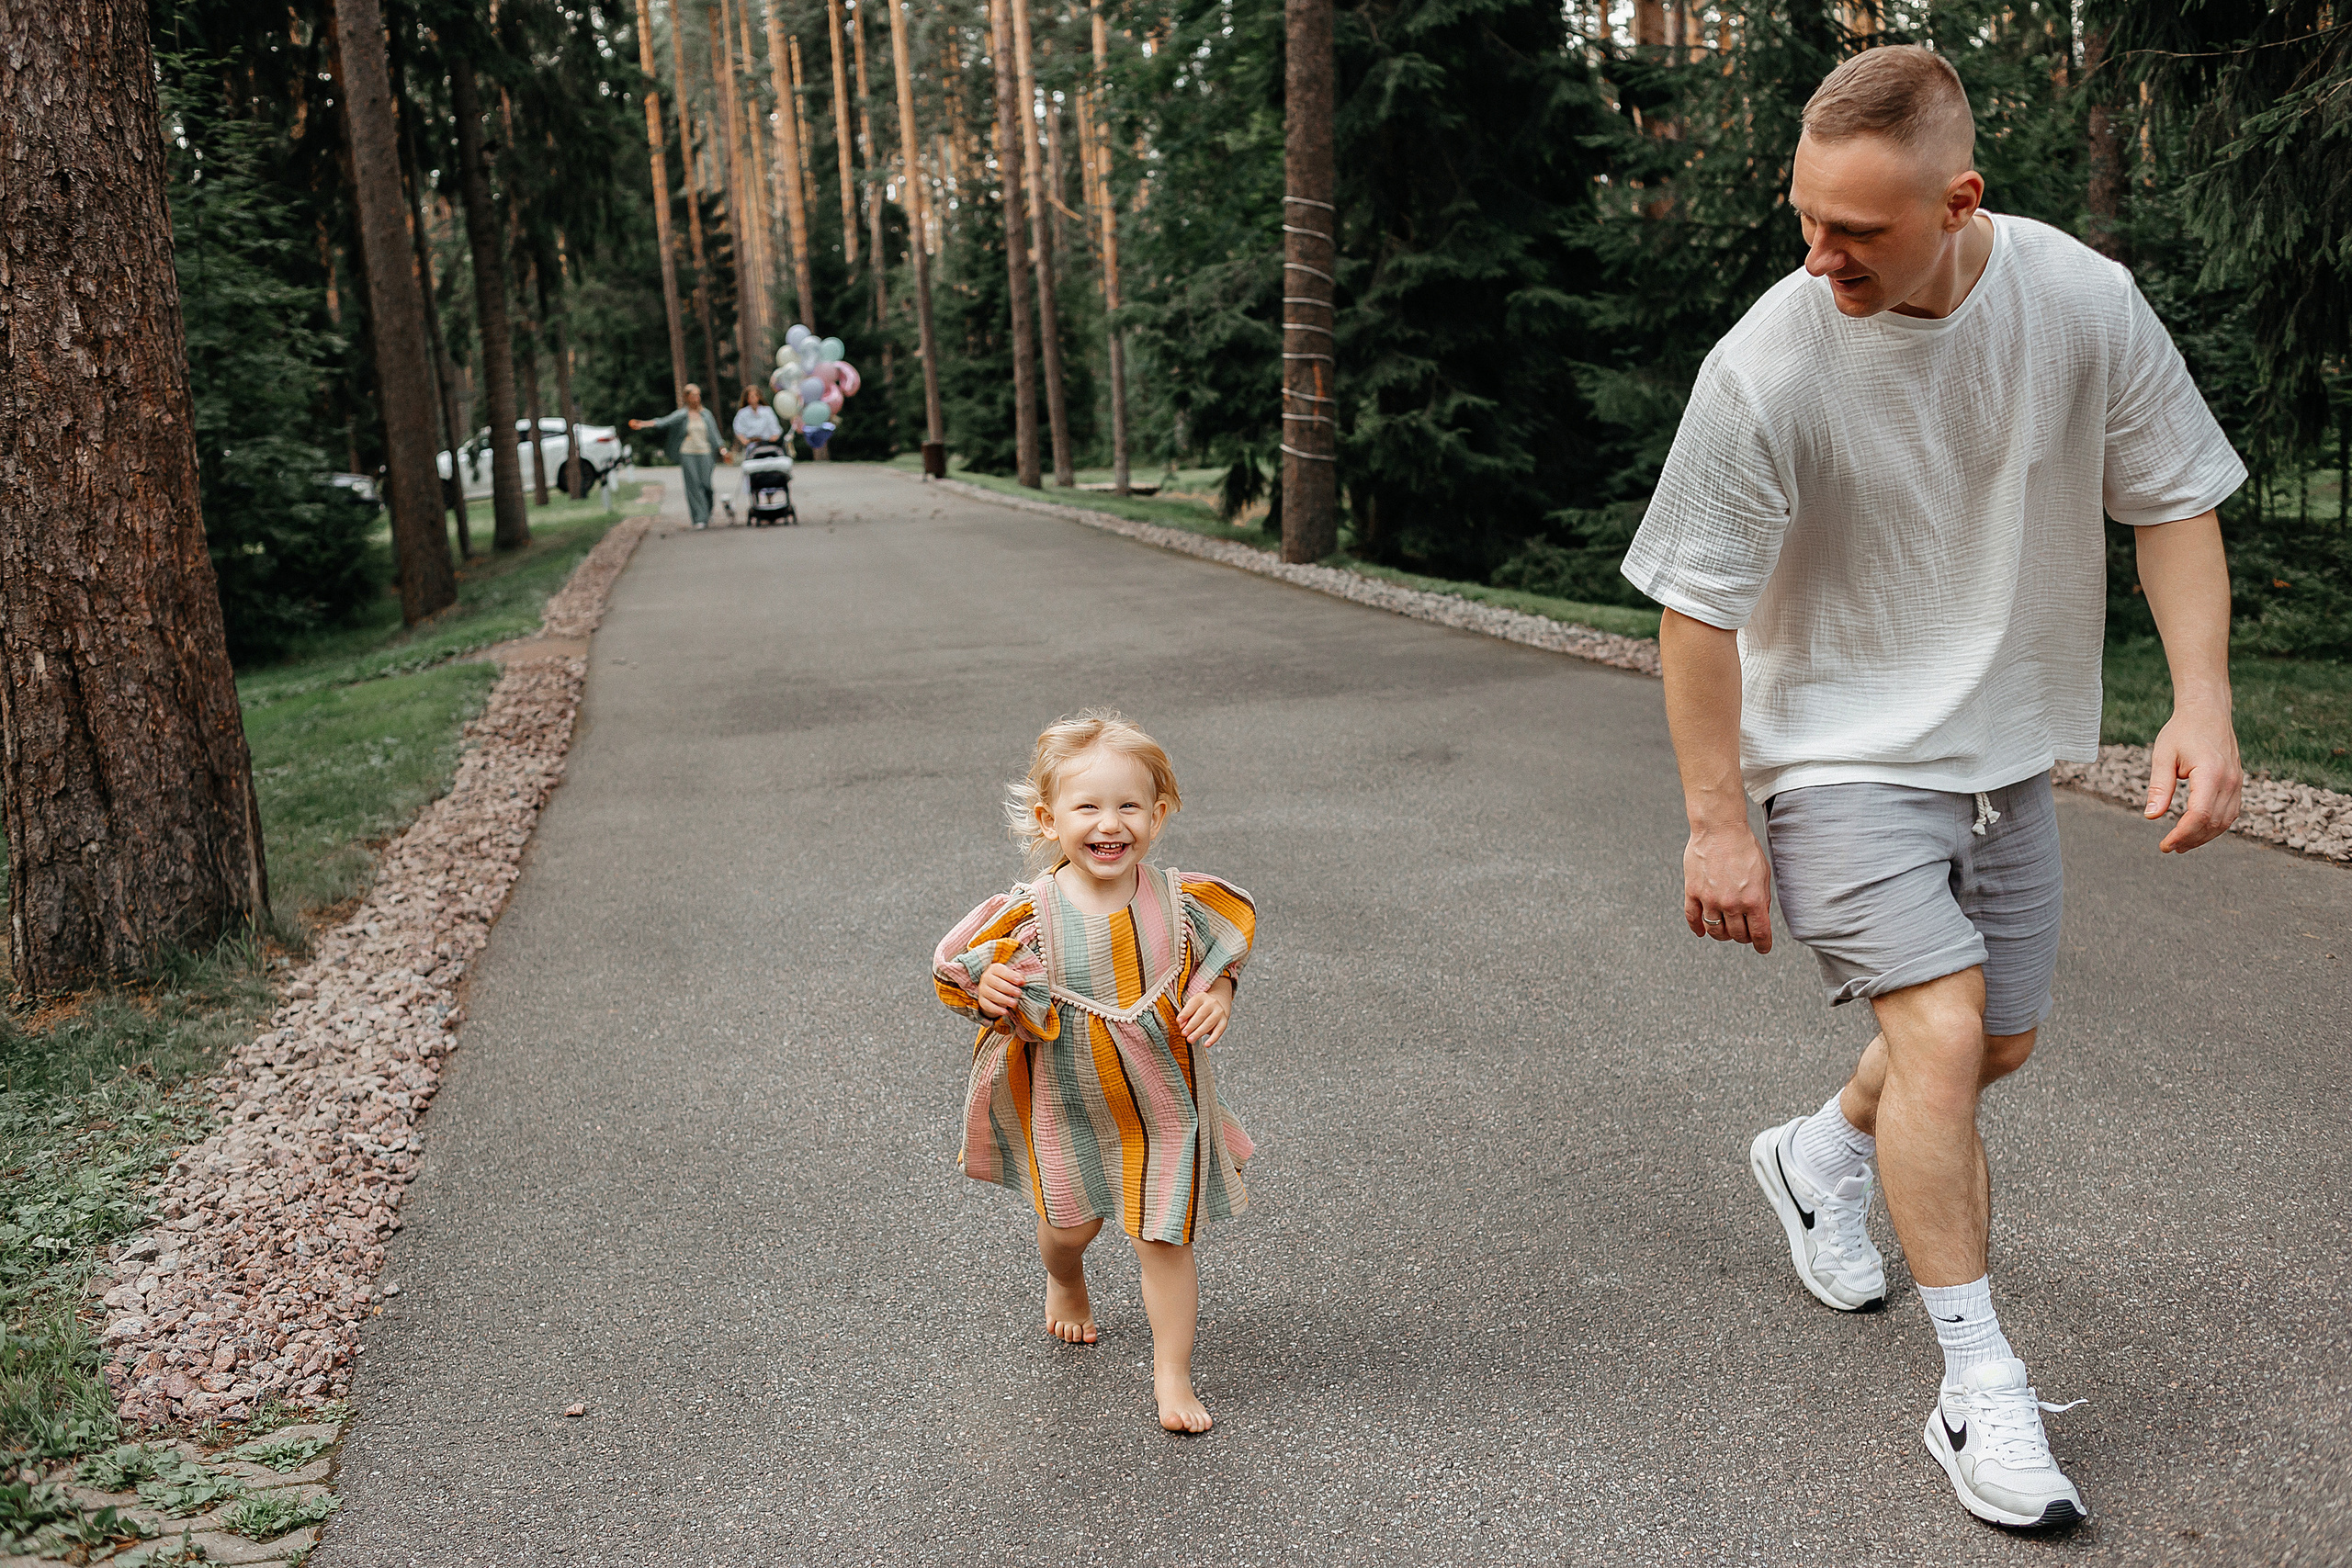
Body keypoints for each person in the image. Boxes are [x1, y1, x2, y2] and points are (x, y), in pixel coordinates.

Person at [1619, 46, 2245, 1531]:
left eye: (1860, 231)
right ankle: (1980, 1382)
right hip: (1832, 747)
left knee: (1994, 1048)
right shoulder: (1768, 359)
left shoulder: (2080, 303)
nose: (1821, 256)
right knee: (1947, 1032)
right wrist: (1719, 820)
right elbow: (1696, 611)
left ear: (1964, 199)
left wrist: (2203, 704)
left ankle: (1819, 1150)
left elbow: (2174, 503)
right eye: (1805, 220)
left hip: (1999, 748)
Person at [932, 712, 1256, 1435]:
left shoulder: (1180, 902)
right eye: (1088, 807)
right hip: (1070, 1100)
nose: (1110, 824)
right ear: (1049, 820)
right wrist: (987, 993)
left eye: (1129, 805)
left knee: (1163, 1236)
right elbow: (957, 973)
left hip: (1163, 1103)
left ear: (1159, 813)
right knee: (1070, 1227)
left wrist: (1218, 995)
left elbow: (1223, 957)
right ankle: (1064, 1276)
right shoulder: (1029, 916)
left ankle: (1171, 1372)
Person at [628, 384, 727, 529]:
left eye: (698, 395)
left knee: (706, 485)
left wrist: (723, 450)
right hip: (688, 453)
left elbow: (714, 434)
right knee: (693, 486)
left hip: (705, 453)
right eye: (693, 395)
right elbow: (664, 422)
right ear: (687, 397)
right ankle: (699, 518)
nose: (696, 398)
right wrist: (643, 424)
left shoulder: (706, 414)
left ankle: (707, 511)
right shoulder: (682, 414)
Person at [729, 386, 786, 522]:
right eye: (750, 396)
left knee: (770, 472)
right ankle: (756, 501)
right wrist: (745, 441)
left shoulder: (767, 412)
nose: (753, 399)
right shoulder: (743, 414)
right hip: (753, 447)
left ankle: (770, 499)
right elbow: (739, 431)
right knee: (754, 475)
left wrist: (773, 437)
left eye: (755, 396)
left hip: (767, 446)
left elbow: (776, 430)